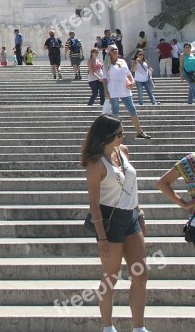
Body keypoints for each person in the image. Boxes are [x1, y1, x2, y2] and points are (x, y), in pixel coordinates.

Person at [80, 114, 151, 332]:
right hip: (109, 220)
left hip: (130, 217)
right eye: (119, 133)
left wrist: (139, 213)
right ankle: (107, 327)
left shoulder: (124, 152)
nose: (123, 136)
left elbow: (131, 185)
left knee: (140, 274)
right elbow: (93, 204)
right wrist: (101, 237)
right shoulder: (95, 163)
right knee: (111, 277)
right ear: (106, 135)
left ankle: (138, 328)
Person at [103, 46, 150, 139]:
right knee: (115, 111)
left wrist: (132, 81)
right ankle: (116, 133)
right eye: (112, 50)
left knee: (132, 109)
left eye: (116, 49)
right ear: (109, 52)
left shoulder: (123, 61)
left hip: (124, 88)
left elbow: (128, 74)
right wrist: (106, 91)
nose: (115, 51)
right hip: (113, 88)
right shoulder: (107, 63)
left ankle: (139, 132)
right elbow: (104, 78)